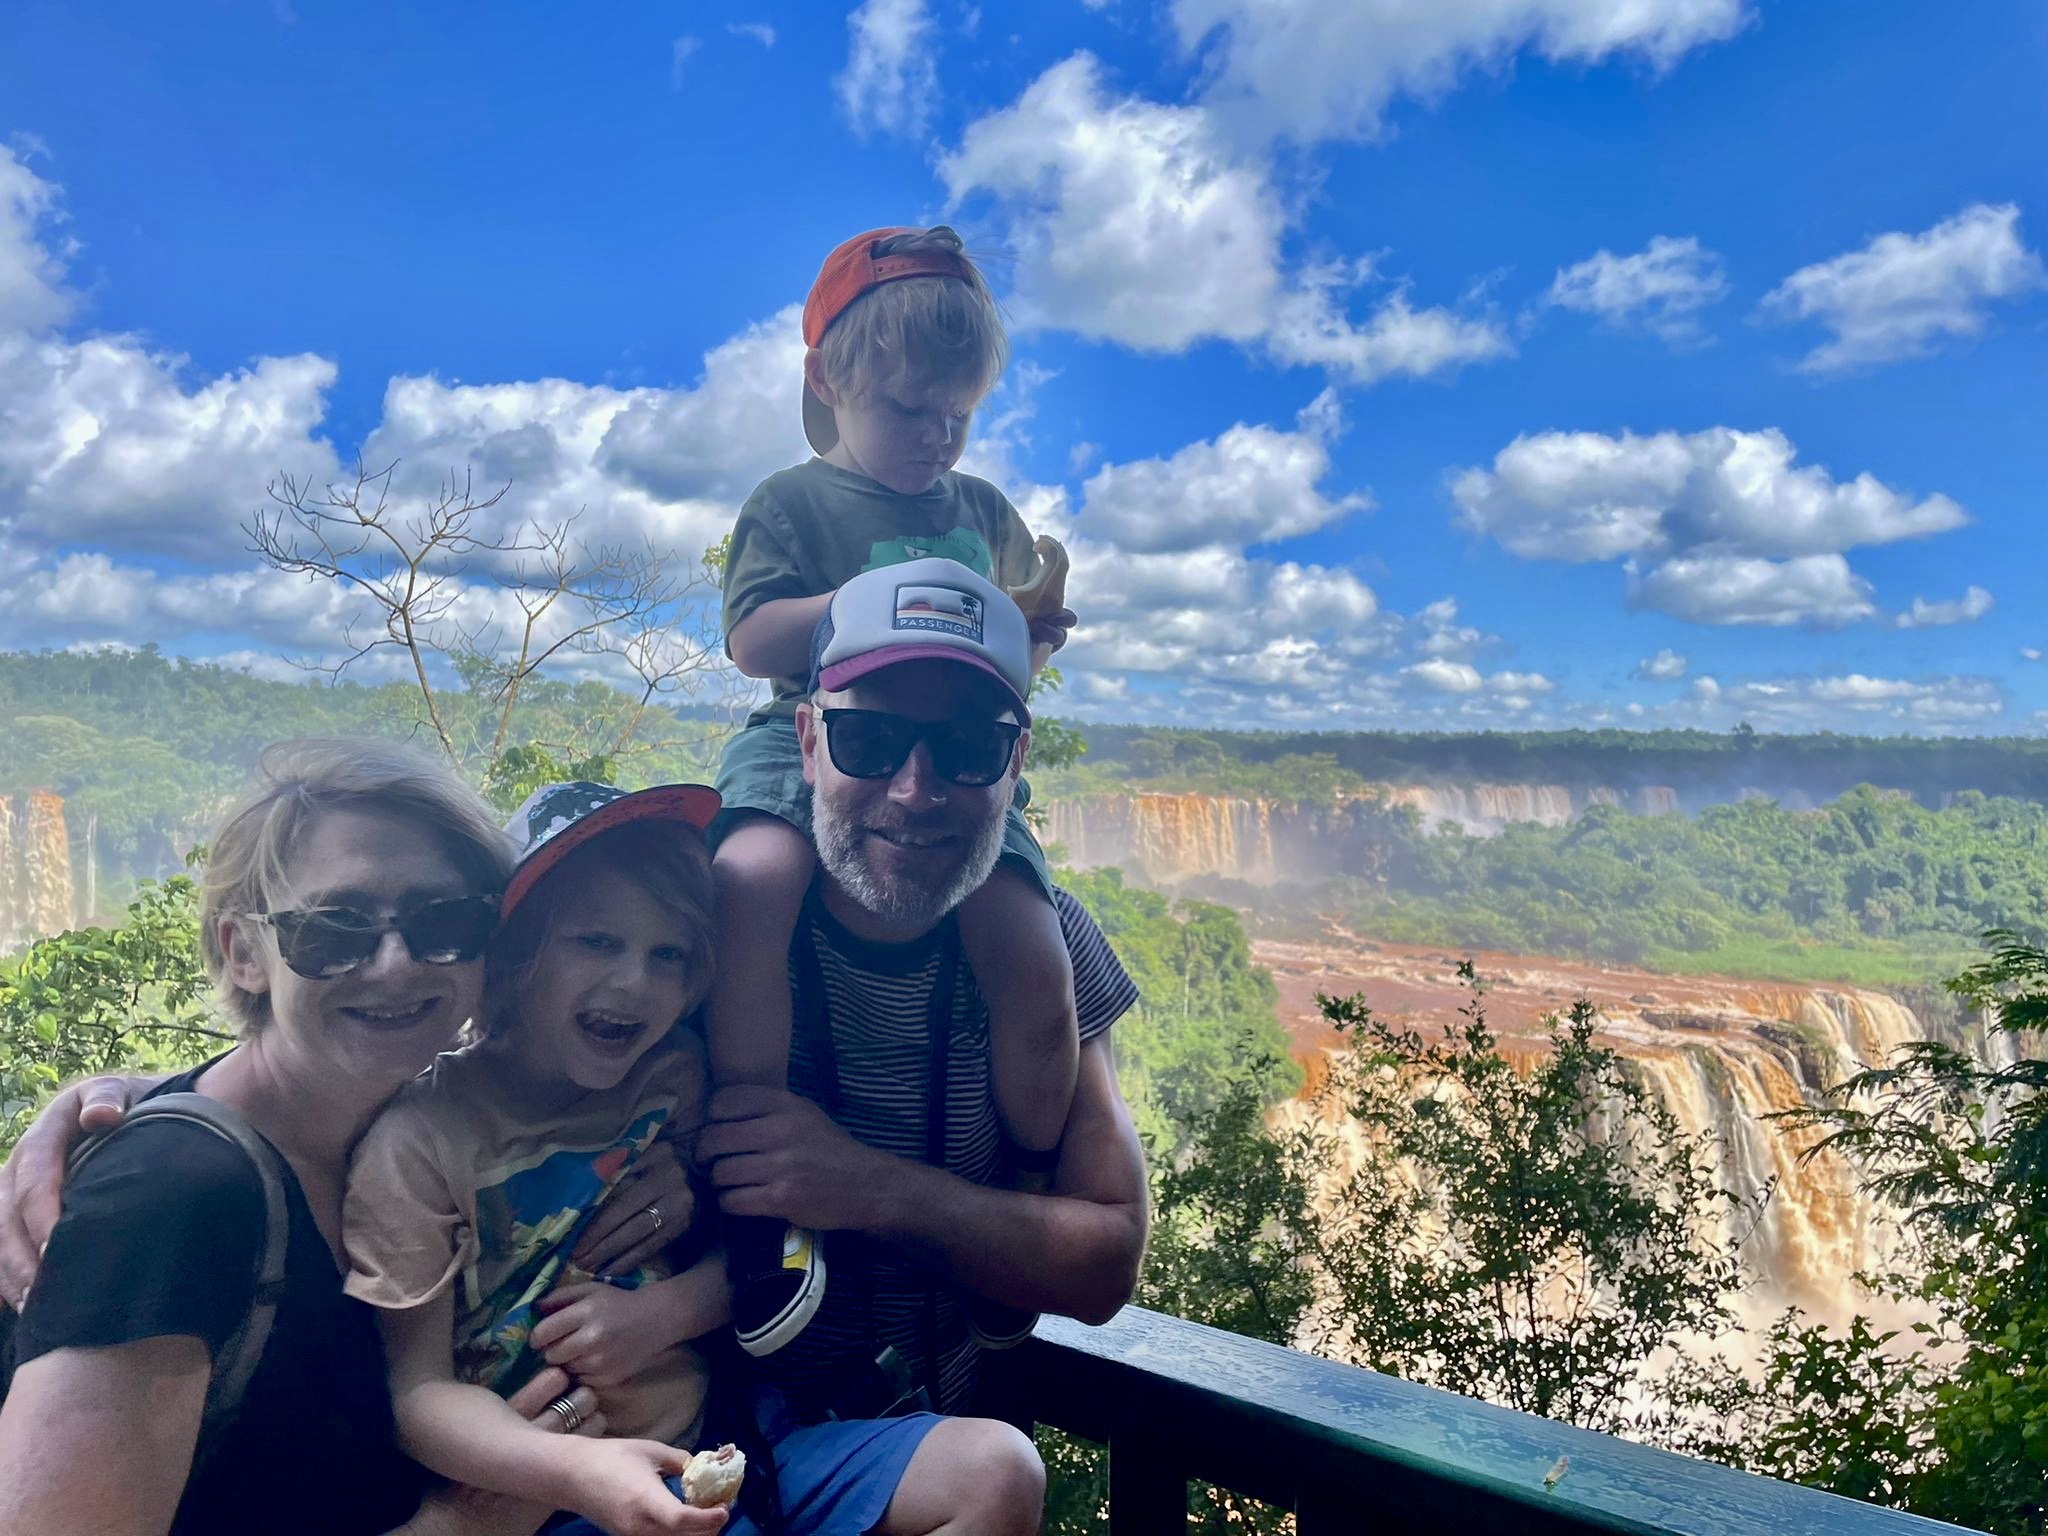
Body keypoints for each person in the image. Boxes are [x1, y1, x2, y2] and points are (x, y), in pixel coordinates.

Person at [349, 780, 1041, 1536]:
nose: (634, 983)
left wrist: (665, 1314)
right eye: (597, 941)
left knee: (996, 1471)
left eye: (668, 954)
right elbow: (416, 1395)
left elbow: (758, 1252)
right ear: (518, 950)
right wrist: (570, 1471)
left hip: (735, 1450)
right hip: (553, 1499)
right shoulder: (420, 1141)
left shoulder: (670, 1075)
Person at [0, 740, 653, 1536]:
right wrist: (463, 1526)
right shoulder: (173, 1198)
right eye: (333, 930)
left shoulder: (404, 1126)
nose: (396, 963)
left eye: (443, 922)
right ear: (245, 953)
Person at [711, 225, 1082, 1359]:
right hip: (812, 738)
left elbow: (1010, 652)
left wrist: (1030, 629)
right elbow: (748, 639)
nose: (933, 437)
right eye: (907, 410)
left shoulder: (978, 508)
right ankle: (755, 1181)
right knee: (751, 880)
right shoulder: (795, 504)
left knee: (1028, 944)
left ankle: (1030, 1172)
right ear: (832, 383)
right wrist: (879, 603)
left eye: (954, 416)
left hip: (957, 748)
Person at [698, 557, 1148, 1421]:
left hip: (962, 1455)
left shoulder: (1054, 940)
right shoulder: (700, 942)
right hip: (724, 1466)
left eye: (968, 748)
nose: (915, 790)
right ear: (806, 741)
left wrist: (866, 1188)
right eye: (869, 739)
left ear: (1016, 764)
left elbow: (1104, 1264)